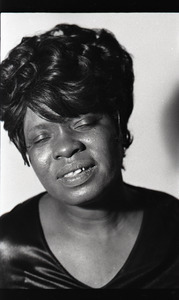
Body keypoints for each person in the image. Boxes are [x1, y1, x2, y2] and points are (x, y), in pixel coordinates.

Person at [0, 23, 178, 289]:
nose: (65, 147)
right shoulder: (7, 246)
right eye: (40, 138)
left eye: (83, 123)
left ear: (117, 123)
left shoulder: (174, 226)